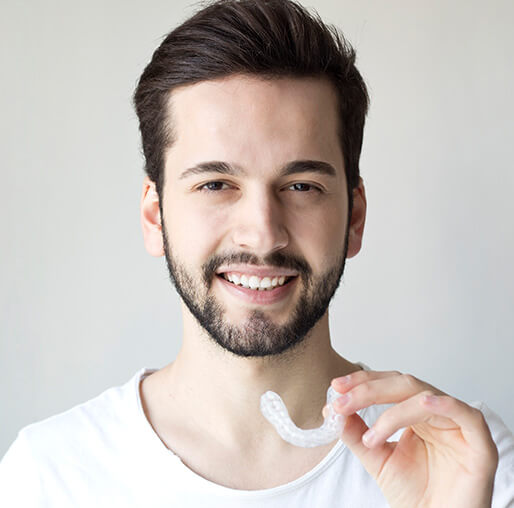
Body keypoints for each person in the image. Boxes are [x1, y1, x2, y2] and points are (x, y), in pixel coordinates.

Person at [1, 0, 513, 506]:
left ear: (354, 217)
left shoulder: (469, 460)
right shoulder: (47, 476)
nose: (263, 235)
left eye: (301, 186)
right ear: (155, 216)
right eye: (216, 184)